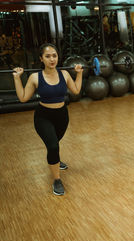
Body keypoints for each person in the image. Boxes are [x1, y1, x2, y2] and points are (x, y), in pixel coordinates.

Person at [13, 43, 83, 196]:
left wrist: (79, 74)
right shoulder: (35, 77)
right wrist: (17, 79)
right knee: (52, 146)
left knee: (55, 144)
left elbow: (76, 91)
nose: (52, 59)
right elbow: (23, 98)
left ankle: (55, 161)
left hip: (62, 116)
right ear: (41, 59)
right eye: (48, 56)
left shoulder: (64, 74)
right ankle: (57, 180)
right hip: (43, 116)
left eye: (54, 56)